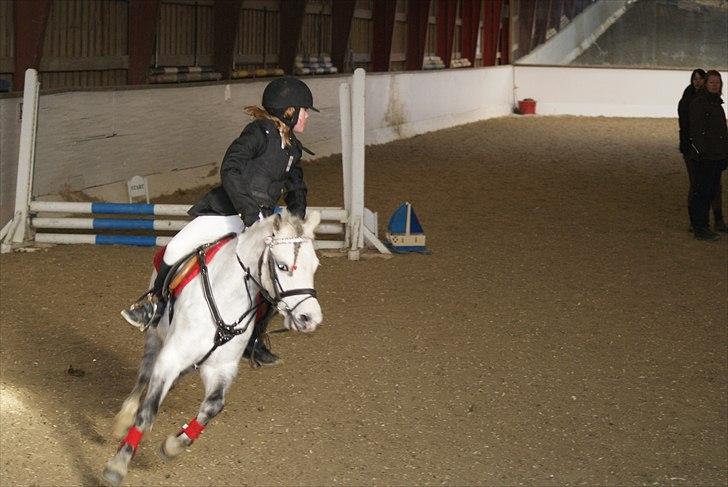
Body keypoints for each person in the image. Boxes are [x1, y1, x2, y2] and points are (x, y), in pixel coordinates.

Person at [121, 76, 318, 365]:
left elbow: (296, 187)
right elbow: (230, 169)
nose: (308, 115)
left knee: (276, 279)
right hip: (227, 213)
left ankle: (254, 338)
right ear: (289, 111)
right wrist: (248, 212)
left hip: (260, 223)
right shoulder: (257, 133)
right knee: (175, 247)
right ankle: (153, 303)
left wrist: (297, 223)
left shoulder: (292, 147)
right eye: (305, 109)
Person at [688, 70, 728, 241]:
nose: (715, 85)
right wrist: (701, 154)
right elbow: (696, 132)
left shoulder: (716, 104)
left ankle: (704, 226)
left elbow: (721, 132)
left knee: (710, 191)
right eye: (712, 82)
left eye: (717, 82)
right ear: (706, 84)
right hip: (705, 157)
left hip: (716, 156)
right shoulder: (700, 103)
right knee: (702, 193)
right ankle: (700, 228)